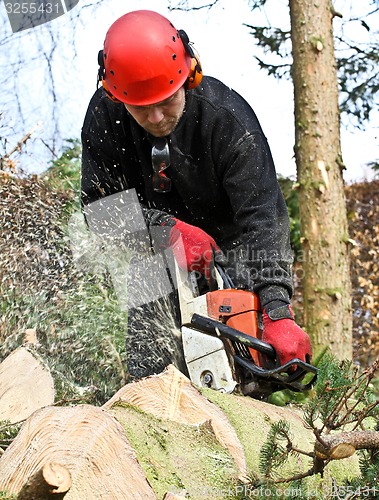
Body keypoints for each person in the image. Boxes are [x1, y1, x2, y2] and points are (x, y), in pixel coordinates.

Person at [80, 9, 312, 381]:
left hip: (232, 252)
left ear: (190, 75)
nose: (155, 117)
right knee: (151, 372)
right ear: (115, 94)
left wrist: (276, 308)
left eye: (165, 101)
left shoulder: (229, 122)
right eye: (141, 106)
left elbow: (264, 217)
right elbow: (97, 208)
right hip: (154, 255)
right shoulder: (105, 119)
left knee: (238, 375)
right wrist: (162, 230)